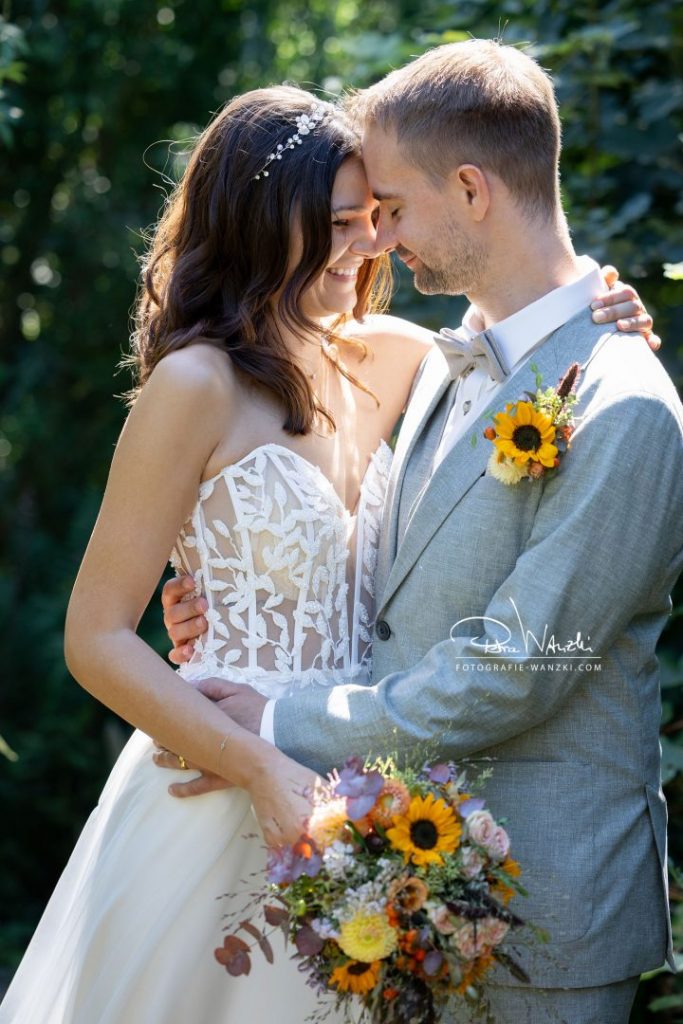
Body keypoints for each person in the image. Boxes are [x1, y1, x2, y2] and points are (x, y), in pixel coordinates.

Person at [162, 42, 681, 1024]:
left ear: (472, 189)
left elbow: (515, 669)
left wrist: (269, 719)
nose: (375, 239)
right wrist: (216, 594)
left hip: (544, 916)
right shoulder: (443, 361)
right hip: (391, 883)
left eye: (390, 208)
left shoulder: (621, 407)